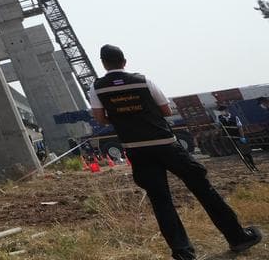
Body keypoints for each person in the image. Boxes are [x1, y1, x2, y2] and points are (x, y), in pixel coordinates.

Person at [90, 44, 261, 260]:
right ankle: (238, 237)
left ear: (104, 64)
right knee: (203, 188)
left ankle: (182, 253)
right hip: (166, 144)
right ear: (124, 61)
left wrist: (122, 118)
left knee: (160, 201)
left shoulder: (97, 88)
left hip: (137, 150)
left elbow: (100, 118)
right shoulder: (143, 80)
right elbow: (166, 109)